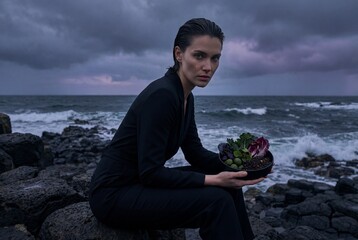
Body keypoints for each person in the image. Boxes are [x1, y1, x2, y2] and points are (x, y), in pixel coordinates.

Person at [89, 18, 265, 240]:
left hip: (139, 184)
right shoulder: (163, 95)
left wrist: (242, 164)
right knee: (216, 200)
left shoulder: (185, 96)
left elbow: (194, 153)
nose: (208, 67)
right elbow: (151, 172)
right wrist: (214, 180)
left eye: (215, 58)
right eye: (199, 55)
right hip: (114, 195)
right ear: (179, 54)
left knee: (230, 186)